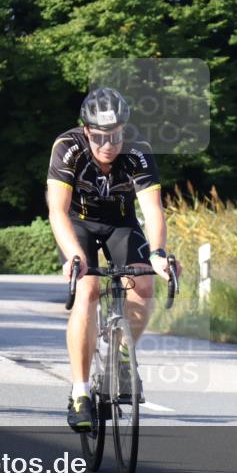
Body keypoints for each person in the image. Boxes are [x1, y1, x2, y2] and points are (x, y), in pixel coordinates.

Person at [46, 87, 180, 432]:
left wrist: (158, 252)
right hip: (79, 223)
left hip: (121, 221)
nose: (109, 144)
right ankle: (80, 392)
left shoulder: (138, 151)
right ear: (87, 130)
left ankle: (122, 355)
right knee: (88, 291)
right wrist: (74, 255)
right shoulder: (68, 147)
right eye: (101, 136)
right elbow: (57, 211)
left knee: (144, 283)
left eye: (116, 135)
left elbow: (152, 210)